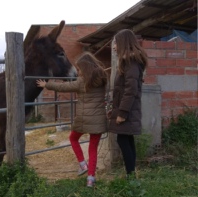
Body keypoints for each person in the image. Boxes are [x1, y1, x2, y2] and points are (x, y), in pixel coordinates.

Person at [36, 52, 108, 187]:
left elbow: (64, 87)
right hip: (98, 119)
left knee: (73, 138)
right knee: (93, 148)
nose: (78, 71)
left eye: (79, 69)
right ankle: (91, 179)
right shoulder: (103, 78)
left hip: (83, 119)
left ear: (85, 68)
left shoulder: (82, 82)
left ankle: (82, 164)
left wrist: (47, 85)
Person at [107, 29, 148, 179]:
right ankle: (131, 175)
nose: (114, 47)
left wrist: (122, 113)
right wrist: (115, 109)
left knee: (123, 139)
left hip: (128, 110)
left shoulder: (130, 62)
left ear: (123, 43)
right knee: (126, 138)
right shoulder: (129, 62)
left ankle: (131, 176)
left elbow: (131, 90)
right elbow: (122, 90)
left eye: (116, 43)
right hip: (126, 108)